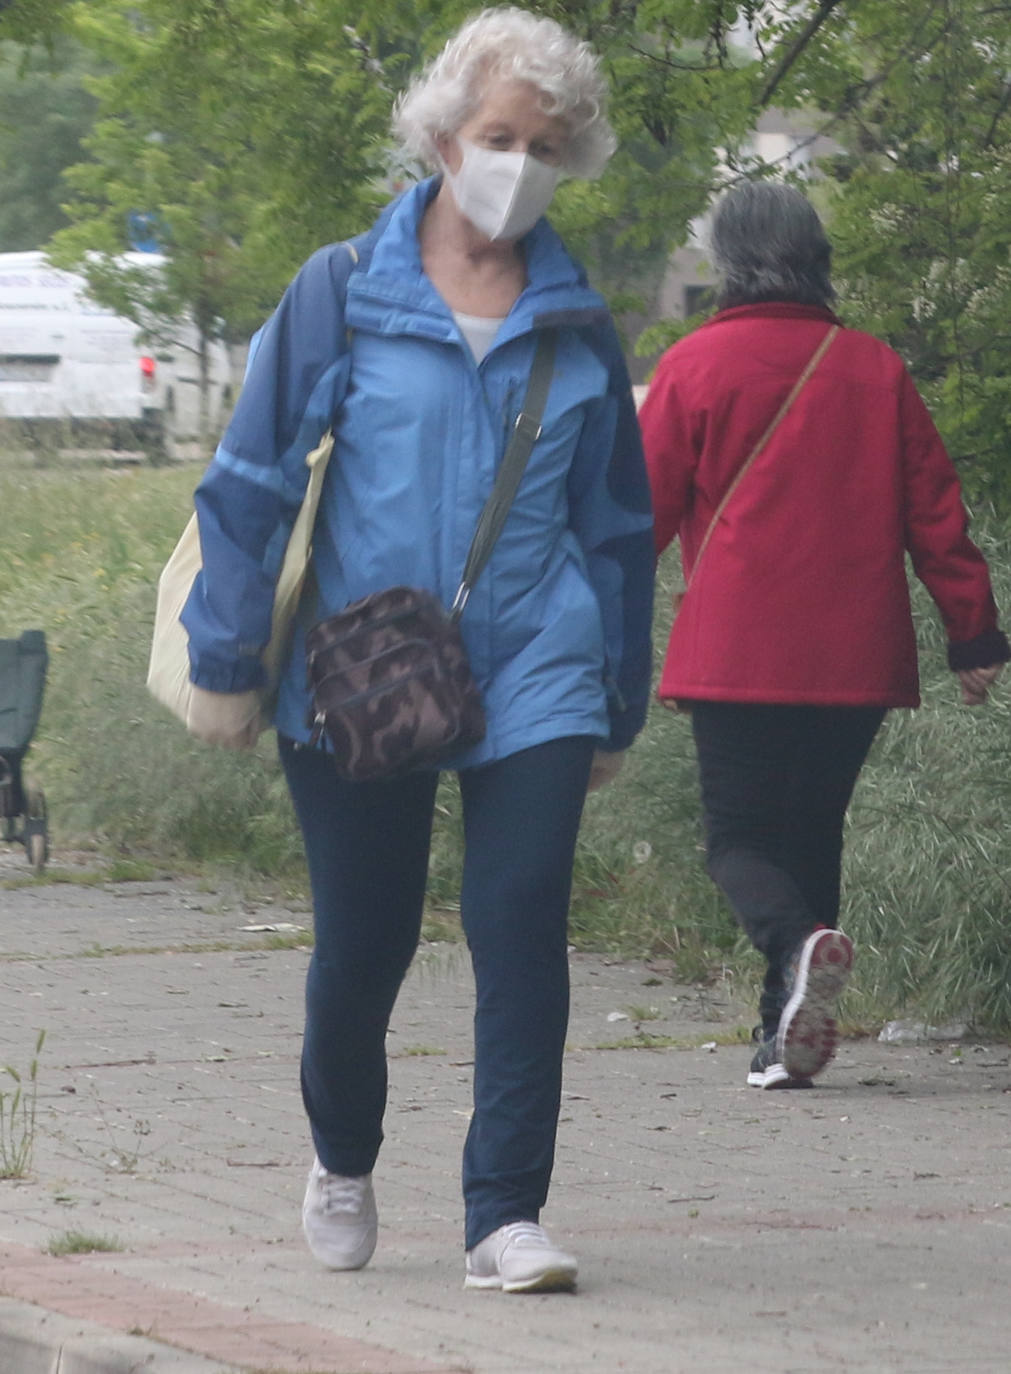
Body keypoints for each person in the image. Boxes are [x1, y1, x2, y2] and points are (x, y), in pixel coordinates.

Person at [180, 7, 653, 1293]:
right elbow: (250, 480)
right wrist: (226, 659)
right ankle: (342, 1152)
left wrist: (616, 697)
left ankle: (504, 1216)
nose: (519, 162)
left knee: (519, 919)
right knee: (368, 939)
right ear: (445, 137)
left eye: (547, 145)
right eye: (500, 135)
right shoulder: (344, 289)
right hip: (362, 662)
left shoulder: (579, 321)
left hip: (536, 660)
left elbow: (617, 526)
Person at [638, 181, 1008, 1092]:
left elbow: (633, 516)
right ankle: (784, 1039)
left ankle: (799, 950)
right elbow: (936, 515)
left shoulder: (693, 366)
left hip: (736, 653)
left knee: (737, 843)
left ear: (725, 260)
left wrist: (578, 618)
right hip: (853, 656)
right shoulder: (874, 369)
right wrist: (975, 635)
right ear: (816, 258)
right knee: (810, 836)